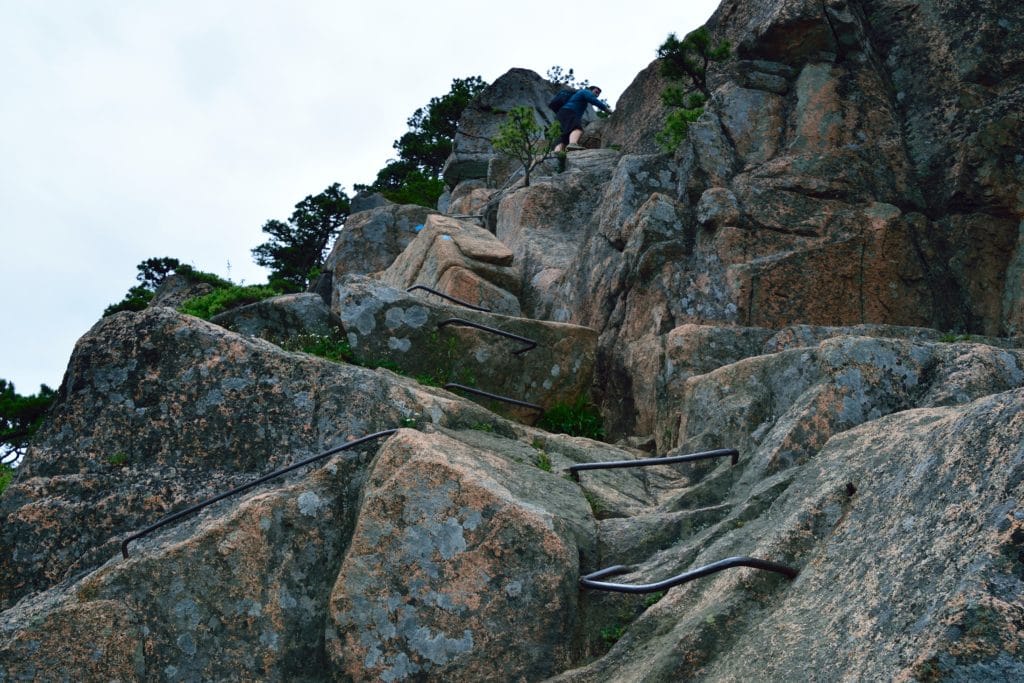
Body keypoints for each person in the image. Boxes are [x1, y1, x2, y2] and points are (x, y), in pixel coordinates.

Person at [553, 85, 611, 153]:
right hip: (570, 112)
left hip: (561, 114)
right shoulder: (585, 91)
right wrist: (607, 110)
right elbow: (593, 99)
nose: (597, 94)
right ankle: (573, 144)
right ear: (590, 90)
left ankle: (557, 152)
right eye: (596, 92)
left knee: (563, 136)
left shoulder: (577, 95)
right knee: (577, 128)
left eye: (598, 94)